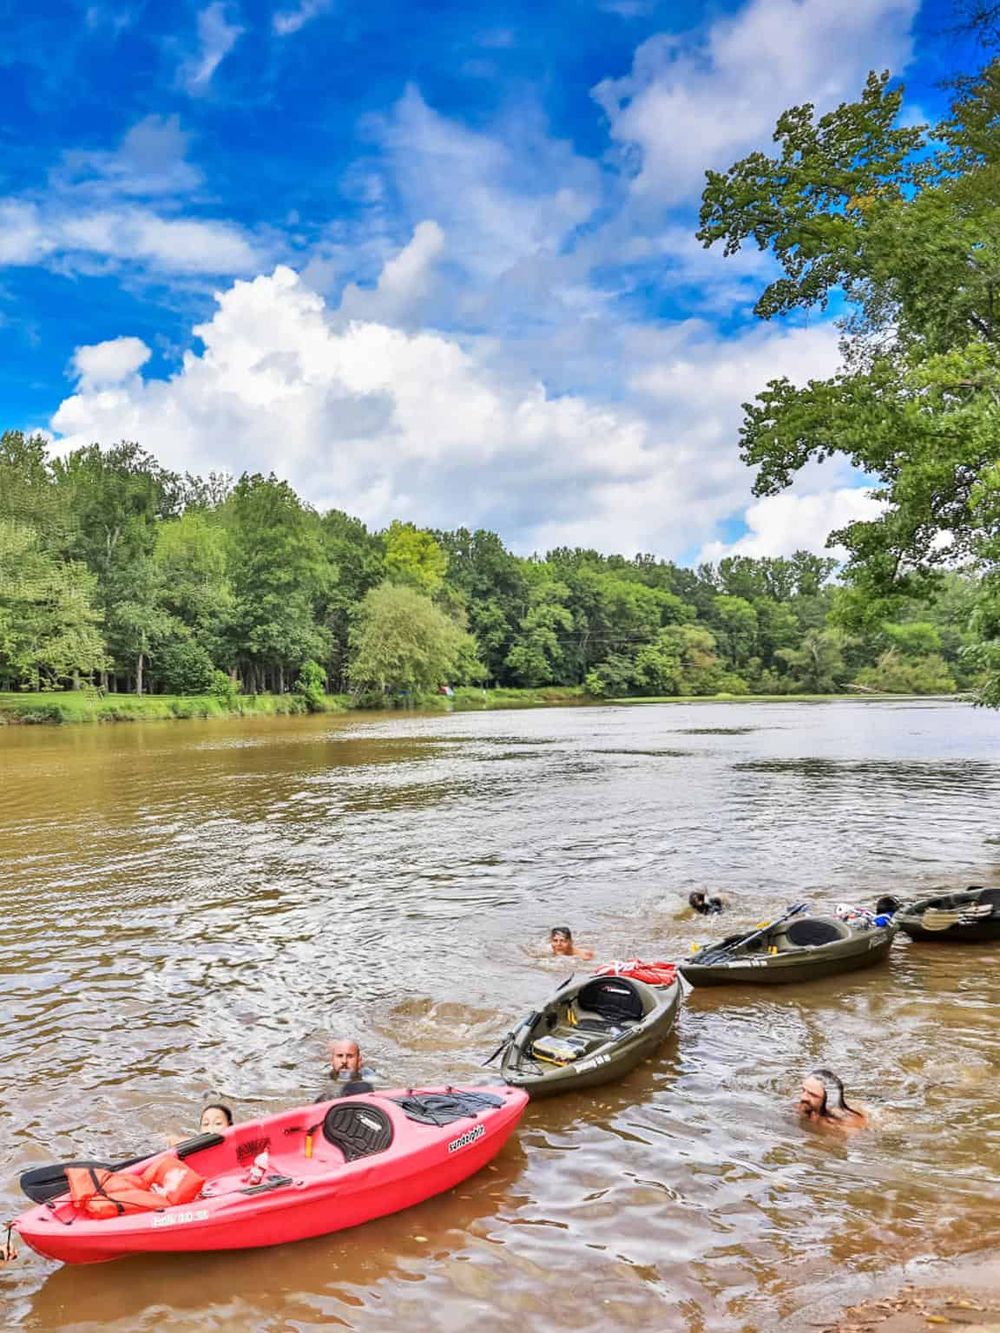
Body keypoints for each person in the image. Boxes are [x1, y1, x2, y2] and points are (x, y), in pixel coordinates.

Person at [798, 1068, 868, 1131]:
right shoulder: (803, 1107)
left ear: (828, 1100)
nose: (803, 1097)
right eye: (803, 1090)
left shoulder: (845, 1126)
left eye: (813, 1095)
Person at [167, 1101, 234, 1146]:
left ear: (230, 1125)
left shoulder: (237, 1141)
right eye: (206, 1124)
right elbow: (172, 1140)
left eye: (218, 1123)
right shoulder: (194, 1144)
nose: (211, 1129)